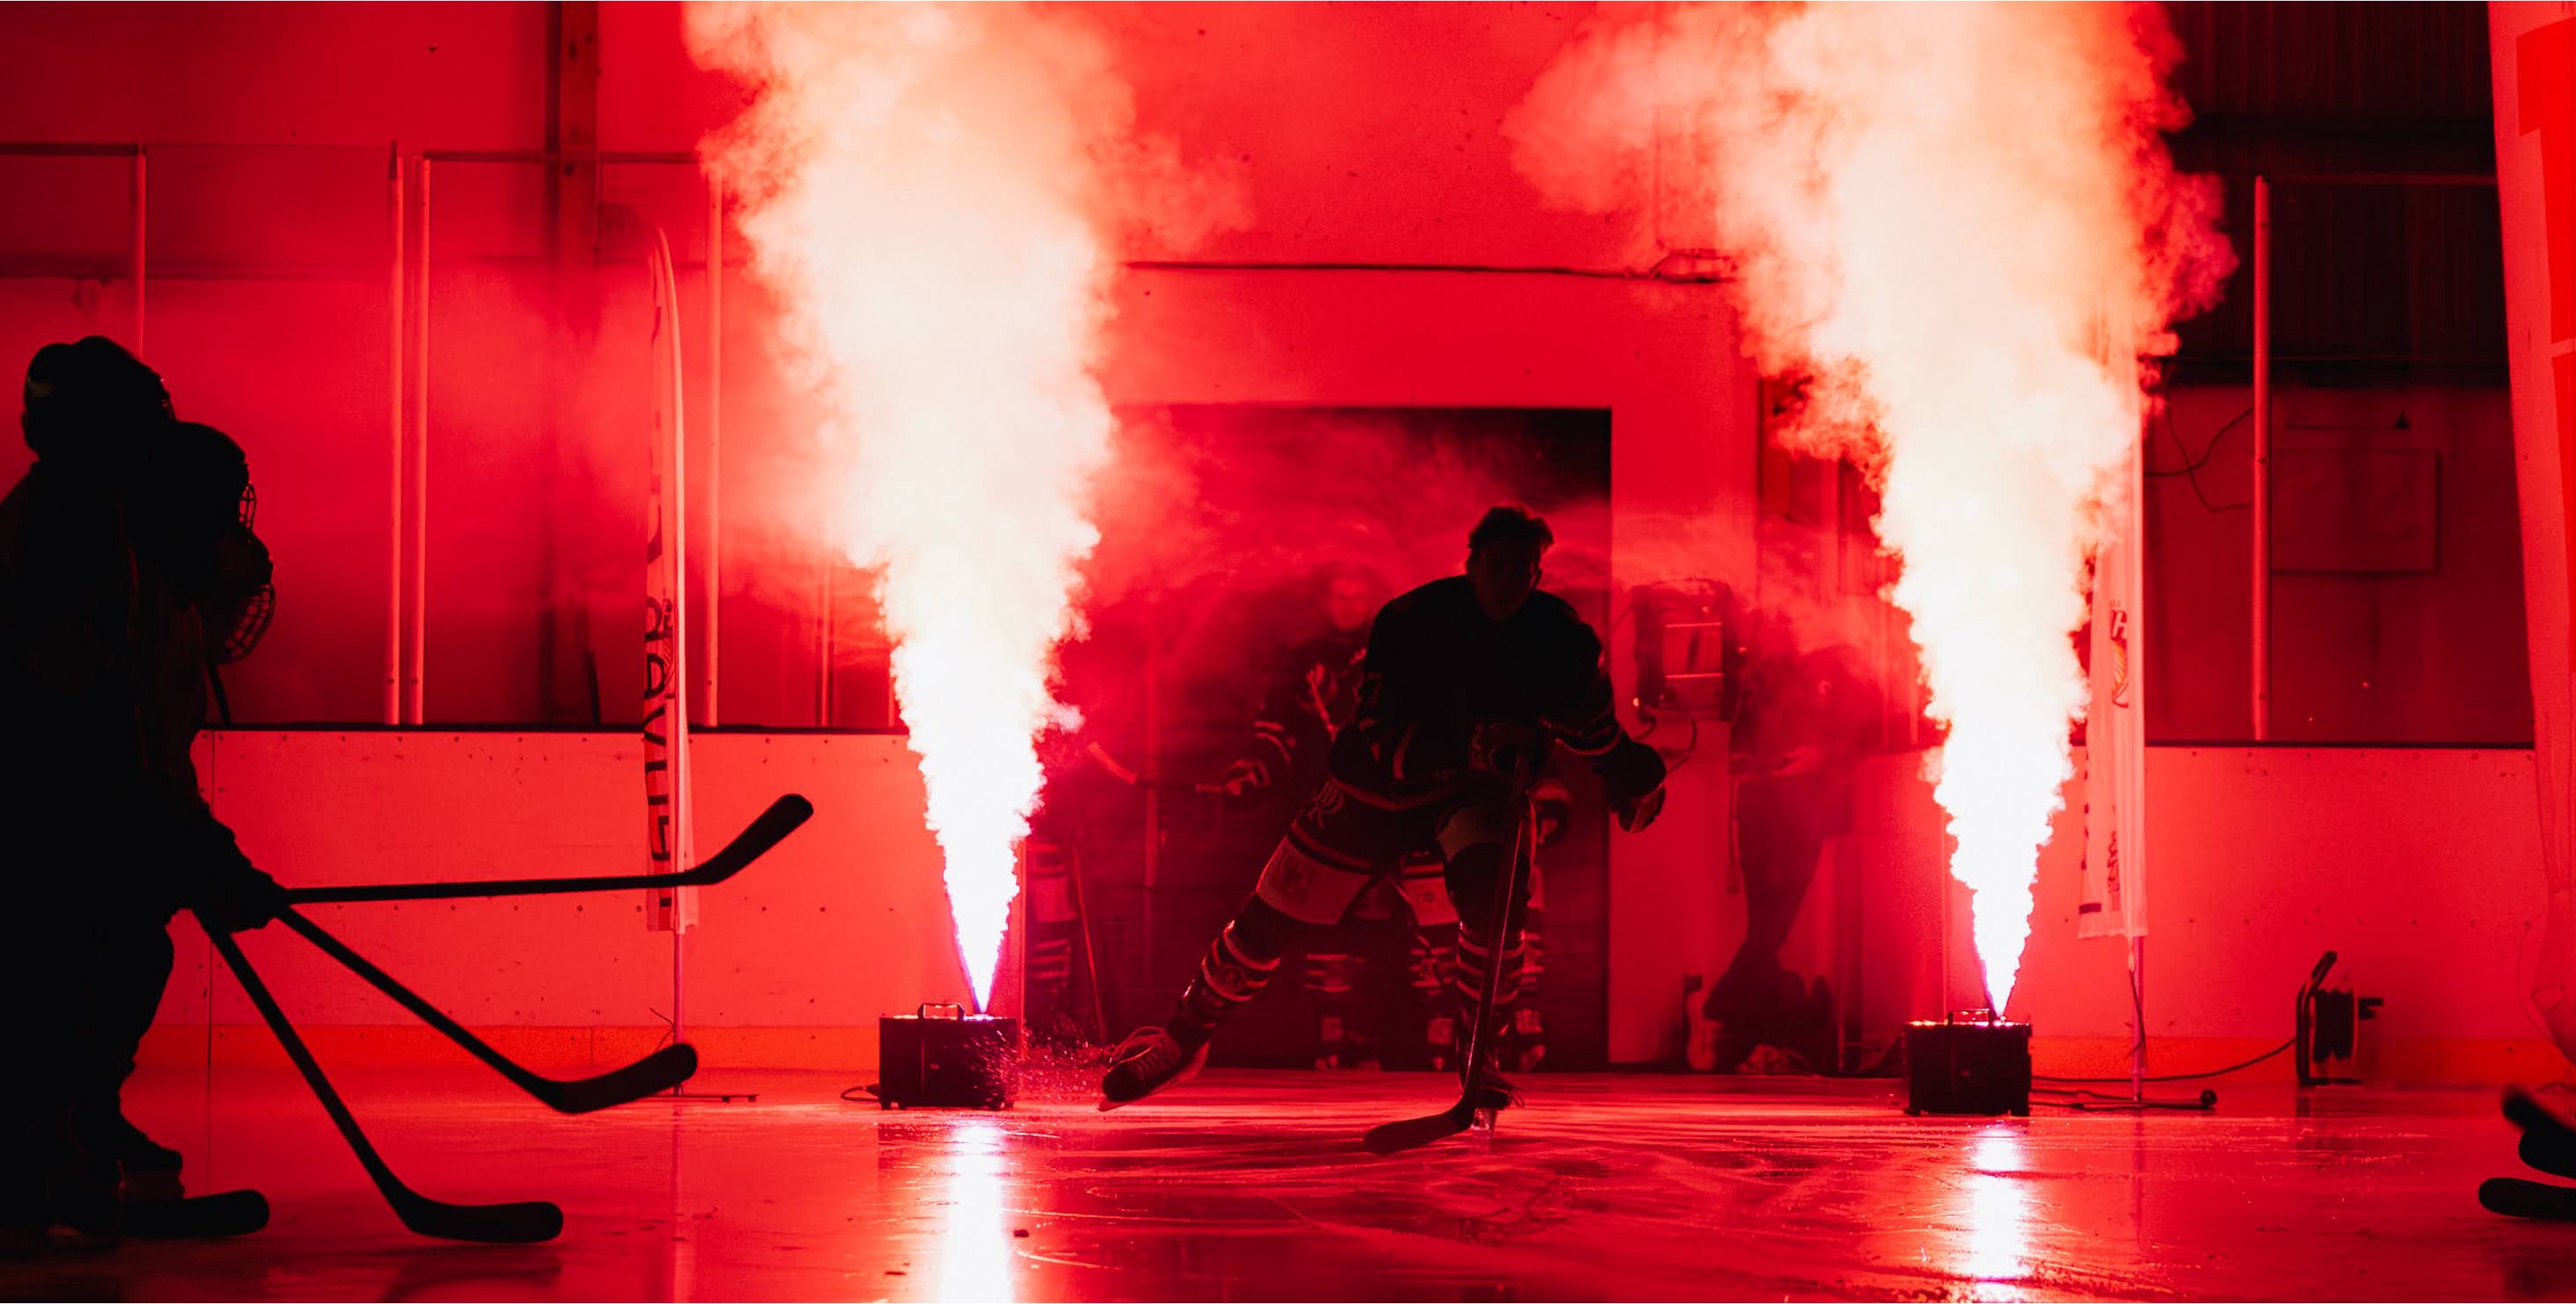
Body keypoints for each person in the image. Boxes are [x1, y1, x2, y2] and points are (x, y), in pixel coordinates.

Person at [1102, 506, 1666, 1108]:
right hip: (1372, 788)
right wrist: (1476, 743)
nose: (1508, 580)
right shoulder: (1411, 620)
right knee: (1269, 918)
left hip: (1474, 794)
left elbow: (1589, 725)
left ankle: (1480, 1053)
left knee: (1494, 907)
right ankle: (1183, 1040)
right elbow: (1379, 732)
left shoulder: (1560, 635)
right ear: (1471, 564)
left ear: (1538, 574)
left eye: (1522, 569)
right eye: (1497, 565)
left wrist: (1633, 775)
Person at [0, 338, 283, 1252]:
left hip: (58, 816)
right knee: (75, 960)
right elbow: (93, 738)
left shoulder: (98, 538)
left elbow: (134, 755)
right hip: (37, 822)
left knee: (113, 947)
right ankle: (41, 1158)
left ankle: (64, 1139)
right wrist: (198, 853)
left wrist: (193, 850)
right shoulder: (72, 543)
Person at [1701, 617, 1878, 1074]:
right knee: (1768, 923)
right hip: (1767, 809)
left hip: (1800, 811)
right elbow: (1740, 748)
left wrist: (1819, 758)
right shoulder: (1768, 673)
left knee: (1770, 924)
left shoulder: (1834, 668)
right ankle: (1743, 1011)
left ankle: (1734, 1008)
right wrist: (1770, 765)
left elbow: (1863, 733)